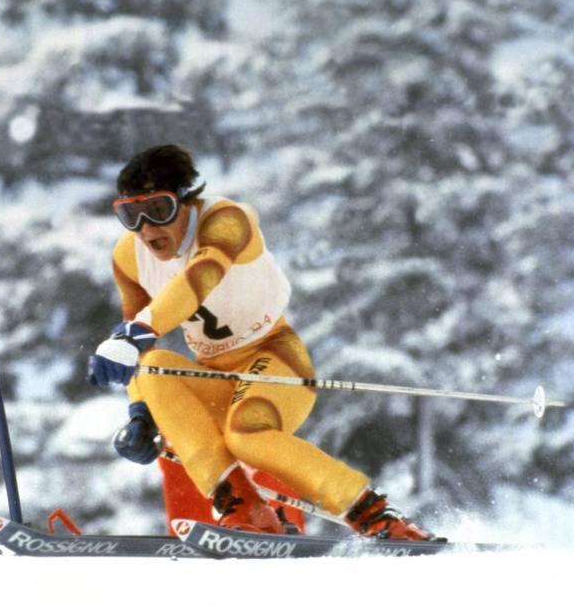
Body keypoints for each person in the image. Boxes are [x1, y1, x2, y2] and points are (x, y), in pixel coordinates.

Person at [88, 144, 437, 540]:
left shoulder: (226, 220)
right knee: (153, 367)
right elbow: (138, 348)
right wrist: (140, 414)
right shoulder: (128, 256)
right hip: (214, 377)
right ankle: (245, 508)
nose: (146, 228)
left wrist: (139, 330)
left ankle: (375, 515)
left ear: (188, 200)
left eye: (158, 209)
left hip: (274, 358)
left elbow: (199, 279)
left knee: (246, 435)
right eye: (130, 215)